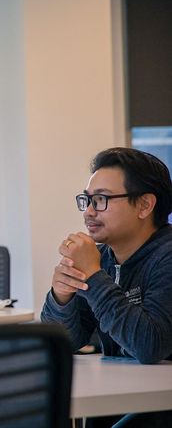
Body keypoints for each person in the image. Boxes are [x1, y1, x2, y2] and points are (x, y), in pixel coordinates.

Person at [41, 148, 172, 426]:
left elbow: (149, 346)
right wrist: (61, 298)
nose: (89, 211)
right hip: (117, 401)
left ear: (144, 205)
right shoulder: (104, 259)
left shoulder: (166, 256)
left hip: (159, 409)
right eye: (87, 200)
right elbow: (65, 344)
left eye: (101, 200)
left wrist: (93, 274)